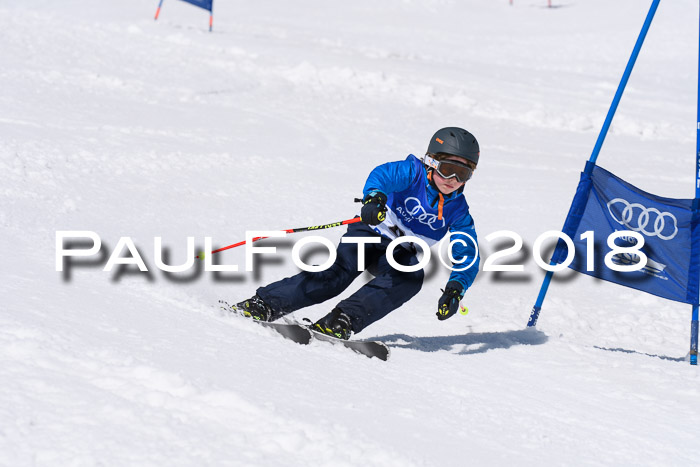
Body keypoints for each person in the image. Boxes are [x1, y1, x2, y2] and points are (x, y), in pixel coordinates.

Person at [234, 127, 480, 339]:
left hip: (400, 251)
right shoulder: (412, 172)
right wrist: (374, 199)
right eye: (448, 169)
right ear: (431, 162)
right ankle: (264, 304)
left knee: (410, 278)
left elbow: (466, 251)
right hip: (371, 231)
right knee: (338, 273)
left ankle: (342, 320)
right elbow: (382, 176)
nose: (453, 179)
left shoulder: (458, 210)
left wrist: (455, 288)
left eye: (463, 174)